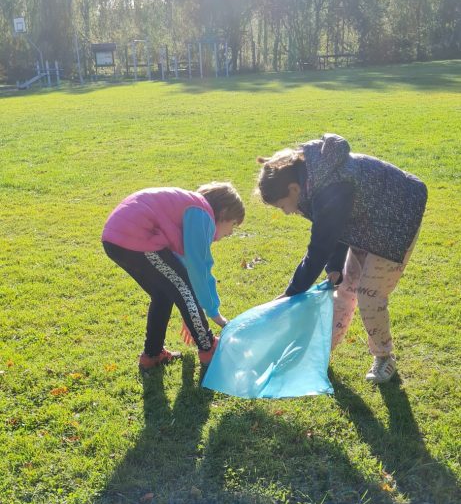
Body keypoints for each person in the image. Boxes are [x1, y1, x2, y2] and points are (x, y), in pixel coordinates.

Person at [257, 134, 428, 383]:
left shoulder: (328, 185)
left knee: (369, 294)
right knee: (344, 288)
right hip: (368, 222)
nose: (286, 212)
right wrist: (335, 266)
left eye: (283, 205)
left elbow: (319, 248)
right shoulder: (314, 181)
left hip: (397, 220)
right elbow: (337, 226)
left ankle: (384, 356)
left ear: (293, 189)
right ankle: (321, 352)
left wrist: (291, 293)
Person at [102, 183, 245, 370]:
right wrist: (214, 314)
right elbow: (199, 269)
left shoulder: (191, 209)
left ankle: (152, 354)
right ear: (223, 212)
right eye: (233, 224)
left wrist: (191, 314)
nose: (231, 232)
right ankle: (209, 348)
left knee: (163, 294)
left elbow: (181, 272)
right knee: (181, 290)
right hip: (136, 236)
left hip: (115, 239)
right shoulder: (203, 213)